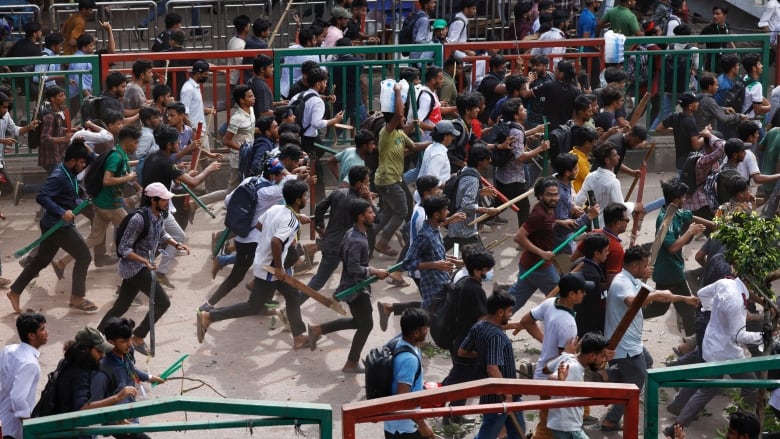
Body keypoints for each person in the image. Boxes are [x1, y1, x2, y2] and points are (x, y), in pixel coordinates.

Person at [198, 180, 311, 350]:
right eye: (305, 196)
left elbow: (259, 226)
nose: (307, 199)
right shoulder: (291, 221)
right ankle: (210, 316)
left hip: (263, 262)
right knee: (253, 306)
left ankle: (299, 337)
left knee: (292, 296)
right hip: (271, 269)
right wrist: (279, 268)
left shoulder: (275, 209)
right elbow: (275, 242)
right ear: (297, 200)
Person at [601, 245, 697, 431]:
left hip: (633, 342)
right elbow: (632, 302)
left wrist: (685, 299)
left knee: (647, 362)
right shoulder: (622, 282)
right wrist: (656, 295)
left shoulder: (634, 280)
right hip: (623, 344)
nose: (648, 269)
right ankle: (611, 420)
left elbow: (661, 297)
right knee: (637, 381)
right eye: (645, 265)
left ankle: (605, 376)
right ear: (635, 266)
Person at [663, 276, 763, 435]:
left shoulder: (725, 283)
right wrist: (763, 336)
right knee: (751, 385)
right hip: (727, 354)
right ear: (749, 283)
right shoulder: (736, 302)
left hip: (712, 346)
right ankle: (739, 424)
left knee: (706, 390)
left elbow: (702, 293)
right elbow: (739, 336)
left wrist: (714, 315)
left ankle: (675, 427)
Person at [7, 141, 96, 314]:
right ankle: (77, 297)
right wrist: (62, 211)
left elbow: (90, 161)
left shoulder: (70, 171)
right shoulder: (59, 176)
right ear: (72, 160)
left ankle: (14, 291)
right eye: (82, 162)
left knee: (41, 260)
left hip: (53, 224)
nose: (84, 165)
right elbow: (42, 196)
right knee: (84, 256)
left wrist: (82, 143)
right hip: (58, 226)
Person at [97, 183, 185, 356]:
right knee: (163, 302)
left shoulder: (159, 215)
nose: (168, 202)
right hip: (135, 268)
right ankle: (138, 337)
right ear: (153, 200)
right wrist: (144, 261)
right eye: (164, 199)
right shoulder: (138, 220)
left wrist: (175, 243)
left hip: (142, 267)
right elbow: (124, 249)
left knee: (120, 307)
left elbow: (160, 233)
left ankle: (97, 336)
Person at [308, 198, 388, 372]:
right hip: (356, 289)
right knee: (366, 325)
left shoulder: (353, 233)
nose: (373, 214)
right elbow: (353, 268)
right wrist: (373, 271)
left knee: (358, 322)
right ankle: (351, 363)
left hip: (355, 286)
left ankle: (318, 329)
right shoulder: (356, 240)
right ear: (360, 217)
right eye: (370, 212)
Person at [141, 126, 220, 288]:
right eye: (177, 142)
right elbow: (194, 182)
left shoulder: (154, 158)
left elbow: (168, 178)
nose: (179, 144)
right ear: (169, 145)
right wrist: (208, 169)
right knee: (150, 248)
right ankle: (134, 281)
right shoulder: (166, 163)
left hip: (159, 208)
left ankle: (161, 273)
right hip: (154, 211)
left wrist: (182, 175)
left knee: (178, 237)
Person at [521, 272, 593, 439]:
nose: (585, 294)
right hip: (553, 380)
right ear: (572, 294)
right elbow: (564, 362)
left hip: (543, 372)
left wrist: (546, 341)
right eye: (582, 291)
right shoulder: (568, 324)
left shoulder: (549, 303)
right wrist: (568, 353)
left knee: (548, 423)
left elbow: (526, 321)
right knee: (547, 427)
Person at [643, 178, 707, 337]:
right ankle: (692, 345)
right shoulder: (666, 220)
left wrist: (713, 224)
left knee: (659, 308)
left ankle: (630, 316)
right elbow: (672, 248)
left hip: (672, 270)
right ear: (676, 199)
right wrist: (690, 232)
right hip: (670, 272)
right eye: (683, 197)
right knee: (689, 311)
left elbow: (690, 216)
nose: (685, 200)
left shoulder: (676, 211)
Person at [458, 292, 525, 438]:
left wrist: (483, 355)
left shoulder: (479, 327)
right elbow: (492, 367)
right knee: (487, 434)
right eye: (509, 311)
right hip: (499, 397)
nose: (510, 315)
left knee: (518, 432)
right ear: (499, 312)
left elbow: (462, 351)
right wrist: (506, 395)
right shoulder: (496, 336)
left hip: (507, 394)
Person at [95, 317, 164, 436]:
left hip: (131, 412)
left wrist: (149, 377)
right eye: (124, 341)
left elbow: (131, 368)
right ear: (111, 342)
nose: (130, 344)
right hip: (119, 422)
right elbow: (96, 403)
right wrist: (116, 420)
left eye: (130, 339)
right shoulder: (104, 370)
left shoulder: (125, 353)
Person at [374, 82, 421, 257]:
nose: (404, 118)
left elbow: (414, 147)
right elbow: (399, 113)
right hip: (388, 179)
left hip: (392, 179)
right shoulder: (386, 132)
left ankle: (371, 235)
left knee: (388, 211)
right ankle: (383, 241)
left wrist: (433, 143)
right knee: (402, 210)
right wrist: (397, 91)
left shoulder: (400, 134)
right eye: (401, 118)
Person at [506, 178, 561, 311]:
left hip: (529, 265)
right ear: (540, 196)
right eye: (549, 194)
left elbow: (544, 227)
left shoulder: (548, 210)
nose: (553, 198)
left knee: (513, 301)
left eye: (556, 194)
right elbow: (519, 237)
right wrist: (542, 253)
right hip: (539, 267)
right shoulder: (539, 214)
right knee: (562, 299)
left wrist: (560, 222)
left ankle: (491, 320)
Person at [54, 327, 137, 414]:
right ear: (85, 350)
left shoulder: (73, 361)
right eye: (99, 351)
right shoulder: (79, 373)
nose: (103, 355)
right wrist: (117, 397)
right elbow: (83, 409)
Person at [544, 332, 610, 438]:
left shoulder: (567, 357)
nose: (603, 360)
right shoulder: (572, 366)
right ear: (592, 356)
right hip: (566, 427)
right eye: (602, 356)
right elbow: (550, 378)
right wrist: (559, 379)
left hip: (563, 424)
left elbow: (546, 369)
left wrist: (564, 354)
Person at [403, 195, 461, 310]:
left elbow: (434, 255)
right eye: (445, 210)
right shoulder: (425, 236)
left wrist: (449, 259)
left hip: (443, 284)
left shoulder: (435, 230)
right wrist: (435, 265)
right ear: (436, 215)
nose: (448, 212)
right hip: (433, 291)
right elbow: (407, 263)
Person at [383, 308, 433, 439]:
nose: (427, 331)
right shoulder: (409, 360)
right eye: (425, 329)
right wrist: (422, 425)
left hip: (396, 424)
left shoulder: (402, 344)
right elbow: (403, 399)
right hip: (404, 429)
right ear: (416, 333)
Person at [0, 313, 48, 439]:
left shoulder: (8, 350)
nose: (46, 332)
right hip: (12, 429)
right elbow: (18, 398)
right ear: (31, 335)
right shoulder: (30, 364)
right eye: (42, 329)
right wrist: (30, 425)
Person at [551, 153, 599, 274]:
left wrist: (572, 207)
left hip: (565, 241)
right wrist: (588, 216)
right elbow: (564, 226)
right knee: (567, 279)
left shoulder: (561, 181)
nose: (578, 171)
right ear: (567, 173)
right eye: (576, 169)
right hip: (560, 244)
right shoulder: (559, 194)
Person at [445, 144, 499, 249]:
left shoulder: (465, 170)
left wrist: (478, 192)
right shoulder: (473, 179)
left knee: (456, 250)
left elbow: (461, 192)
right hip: (464, 229)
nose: (490, 161)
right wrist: (487, 210)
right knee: (479, 259)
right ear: (480, 161)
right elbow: (467, 205)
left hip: (457, 226)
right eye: (487, 159)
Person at [656, 92, 704, 171]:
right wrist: (706, 135)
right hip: (690, 163)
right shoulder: (691, 121)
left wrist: (675, 129)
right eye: (696, 102)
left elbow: (659, 128)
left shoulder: (675, 116)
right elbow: (696, 145)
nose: (698, 104)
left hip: (679, 162)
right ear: (690, 106)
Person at [223, 84, 256, 190]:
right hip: (238, 159)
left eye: (253, 95)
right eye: (250, 96)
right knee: (230, 190)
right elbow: (226, 140)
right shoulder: (237, 118)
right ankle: (202, 201)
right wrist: (243, 149)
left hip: (249, 156)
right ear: (242, 100)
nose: (254, 98)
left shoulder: (251, 110)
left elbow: (250, 131)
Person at [181, 60, 217, 154]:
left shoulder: (195, 87)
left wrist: (207, 110)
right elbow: (184, 112)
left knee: (202, 161)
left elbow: (194, 107)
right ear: (197, 74)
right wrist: (192, 131)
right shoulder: (188, 89)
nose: (206, 76)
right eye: (205, 74)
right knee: (202, 161)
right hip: (196, 132)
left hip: (201, 130)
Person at [124, 60, 153, 129]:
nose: (152, 74)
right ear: (142, 75)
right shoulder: (136, 90)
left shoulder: (131, 85)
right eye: (149, 72)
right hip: (133, 129)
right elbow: (144, 109)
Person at [227, 15, 251, 92]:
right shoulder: (239, 44)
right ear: (245, 28)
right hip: (236, 79)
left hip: (233, 76)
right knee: (230, 101)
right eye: (248, 25)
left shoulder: (233, 39)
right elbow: (241, 63)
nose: (249, 26)